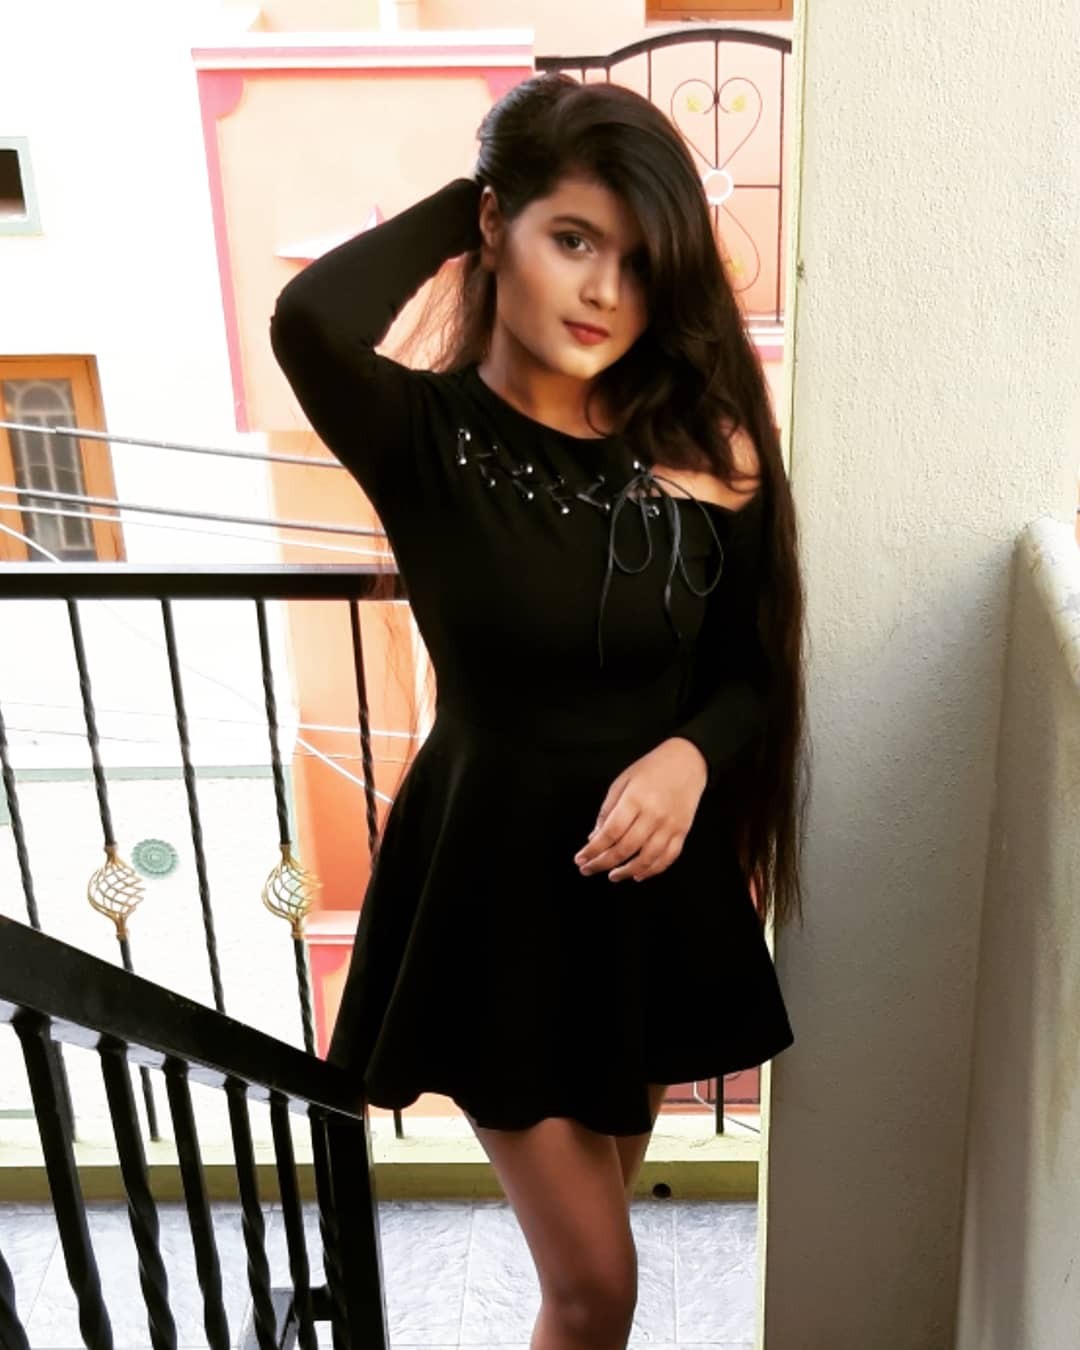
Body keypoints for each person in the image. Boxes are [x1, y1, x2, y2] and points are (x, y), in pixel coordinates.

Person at [270, 70, 808, 1350]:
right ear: (494, 228)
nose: (605, 291)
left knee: (592, 1260)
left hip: (646, 896)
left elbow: (751, 670)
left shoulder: (700, 442)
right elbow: (309, 317)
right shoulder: (422, 434)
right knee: (596, 1286)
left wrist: (690, 758)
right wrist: (482, 185)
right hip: (495, 899)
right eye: (572, 239)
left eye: (639, 260)